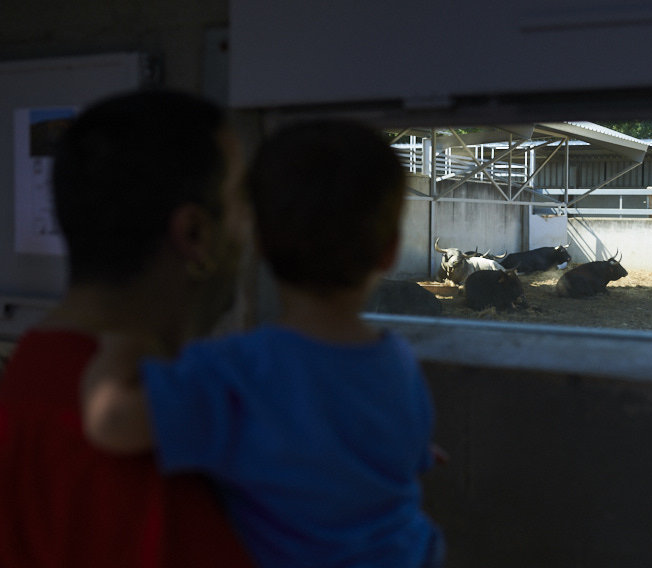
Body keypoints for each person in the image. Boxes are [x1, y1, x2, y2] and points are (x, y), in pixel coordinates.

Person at [83, 119, 445, 567]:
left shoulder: (236, 369)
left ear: (259, 244)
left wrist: (124, 336)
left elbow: (110, 421)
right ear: (389, 251)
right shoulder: (397, 362)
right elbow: (400, 453)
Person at [0, 90, 255, 567]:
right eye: (242, 198)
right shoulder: (145, 444)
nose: (253, 224)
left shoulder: (32, 371)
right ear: (196, 235)